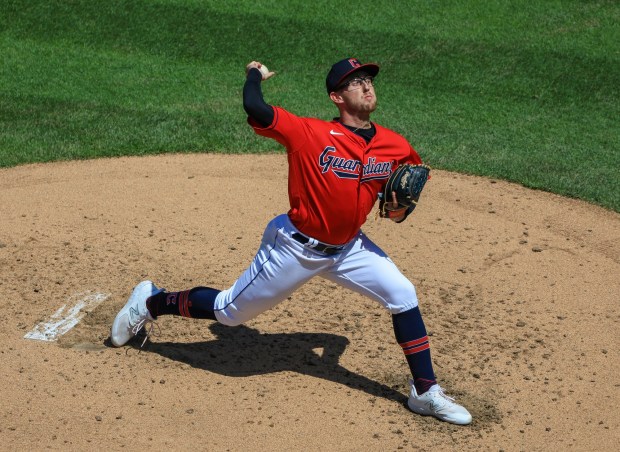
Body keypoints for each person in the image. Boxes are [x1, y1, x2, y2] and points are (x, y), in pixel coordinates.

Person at [110, 58, 472, 425]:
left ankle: (425, 392)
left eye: (368, 80)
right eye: (355, 83)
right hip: (295, 248)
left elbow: (402, 193)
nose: (366, 86)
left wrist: (397, 211)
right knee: (228, 313)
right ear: (336, 97)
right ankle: (151, 301)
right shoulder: (308, 133)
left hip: (349, 249)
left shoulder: (395, 145)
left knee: (403, 294)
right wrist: (255, 75)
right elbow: (255, 108)